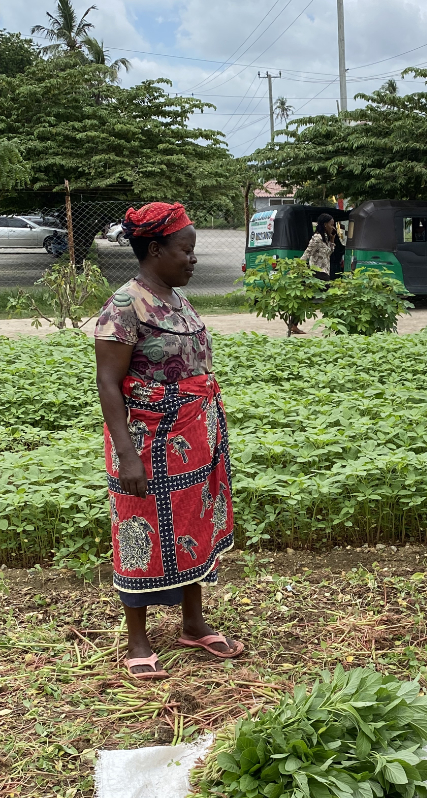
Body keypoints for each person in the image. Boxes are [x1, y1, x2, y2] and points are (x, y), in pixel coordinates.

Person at [94, 201, 244, 681]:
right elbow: (108, 383)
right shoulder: (124, 306)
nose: (193, 259)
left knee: (194, 522)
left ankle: (192, 623)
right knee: (139, 529)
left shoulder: (177, 298)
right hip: (145, 440)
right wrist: (127, 456)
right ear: (155, 249)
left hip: (193, 436)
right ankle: (138, 638)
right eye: (186, 250)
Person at [302, 213, 336, 281]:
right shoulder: (317, 238)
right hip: (317, 274)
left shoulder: (325, 238)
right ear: (325, 225)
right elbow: (307, 253)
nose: (333, 227)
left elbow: (329, 253)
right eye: (331, 225)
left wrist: (332, 240)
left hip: (325, 273)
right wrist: (296, 267)